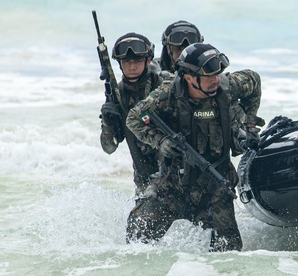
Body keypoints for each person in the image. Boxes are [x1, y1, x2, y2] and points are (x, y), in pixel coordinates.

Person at [124, 43, 262, 251]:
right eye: (208, 77)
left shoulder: (227, 85)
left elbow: (254, 80)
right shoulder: (167, 94)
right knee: (136, 236)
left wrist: (249, 125)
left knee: (230, 252)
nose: (215, 80)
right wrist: (160, 141)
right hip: (174, 184)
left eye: (218, 74)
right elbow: (135, 118)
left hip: (216, 185)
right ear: (188, 77)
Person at [99, 32, 171, 195]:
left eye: (137, 61)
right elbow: (109, 148)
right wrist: (108, 123)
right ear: (119, 63)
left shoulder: (164, 86)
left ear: (148, 60)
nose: (132, 67)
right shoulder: (117, 95)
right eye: (127, 62)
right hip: (143, 179)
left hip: (173, 171)